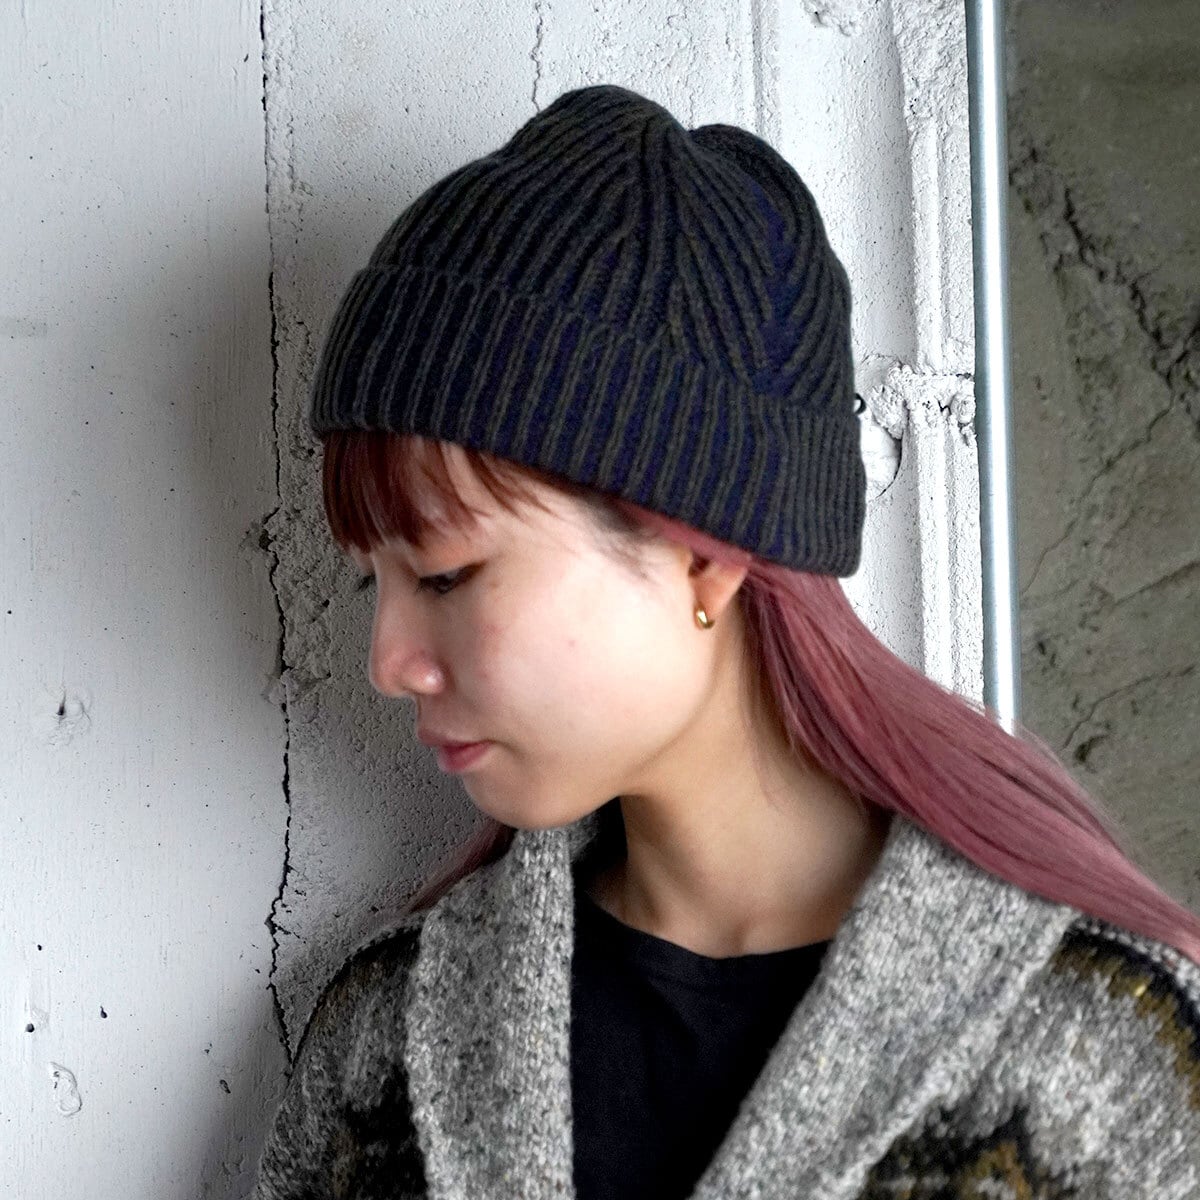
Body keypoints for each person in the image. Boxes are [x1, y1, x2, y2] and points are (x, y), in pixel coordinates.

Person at [251, 83, 1200, 1200]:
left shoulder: (1104, 1053)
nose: (387, 661)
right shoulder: (381, 1053)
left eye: (447, 574)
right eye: (372, 582)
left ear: (707, 557)